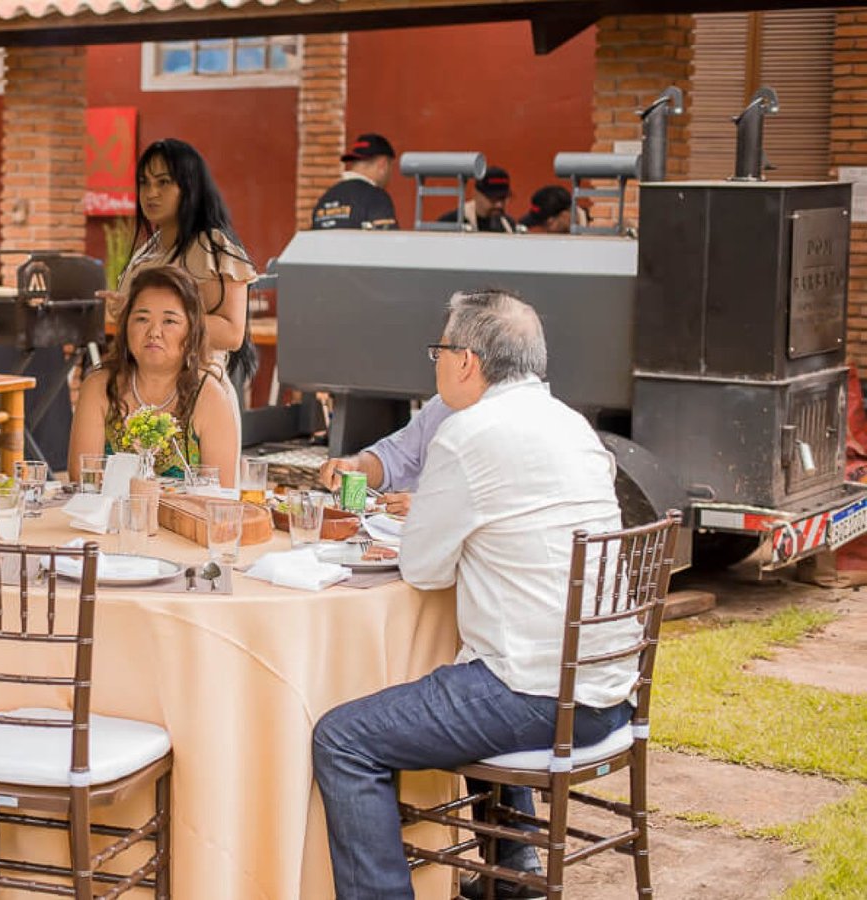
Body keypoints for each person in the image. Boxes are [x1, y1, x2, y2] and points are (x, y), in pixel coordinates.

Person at [310, 289, 636, 900]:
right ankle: (513, 882)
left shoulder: (468, 434)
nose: (434, 364)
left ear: (466, 361)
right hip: (609, 690)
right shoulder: (573, 426)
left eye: (438, 351)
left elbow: (425, 570)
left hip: (534, 696)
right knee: (466, 668)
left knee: (343, 739)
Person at [98, 138, 258, 391]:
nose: (151, 193)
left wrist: (151, 314)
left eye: (163, 182)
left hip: (196, 391)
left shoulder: (211, 246)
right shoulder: (148, 249)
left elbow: (231, 333)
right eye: (144, 183)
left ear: (190, 187)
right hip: (143, 390)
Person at [70, 265, 240, 484]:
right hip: (108, 518)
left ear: (192, 331)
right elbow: (83, 481)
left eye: (169, 321)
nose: (154, 332)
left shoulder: (210, 396)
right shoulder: (99, 386)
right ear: (125, 326)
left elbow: (218, 496)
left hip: (186, 519)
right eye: (142, 319)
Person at [317, 394, 452, 517]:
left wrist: (432, 507)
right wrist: (354, 466)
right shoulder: (441, 406)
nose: (435, 367)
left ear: (465, 366)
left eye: (438, 364)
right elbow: (392, 458)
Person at [310, 132, 399, 230]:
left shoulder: (324, 199)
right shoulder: (376, 197)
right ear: (383, 164)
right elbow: (388, 242)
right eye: (391, 166)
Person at [437, 166, 516, 233]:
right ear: (476, 194)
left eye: (503, 198)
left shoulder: (508, 225)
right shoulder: (451, 223)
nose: (499, 205)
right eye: (493, 198)